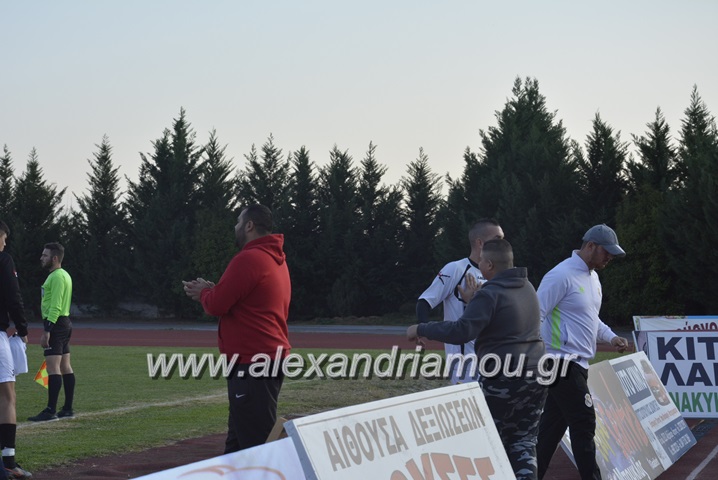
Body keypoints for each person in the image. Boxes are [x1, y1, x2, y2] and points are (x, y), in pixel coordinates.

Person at [408, 239, 547, 480]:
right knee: (523, 441)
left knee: (487, 441)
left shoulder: (490, 293)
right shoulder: (527, 288)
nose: (478, 263)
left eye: (481, 260)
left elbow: (462, 331)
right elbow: (503, 320)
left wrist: (421, 328)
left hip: (504, 377)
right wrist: (473, 302)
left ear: (489, 265)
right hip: (537, 374)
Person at [183, 204, 291, 453]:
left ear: (249, 225)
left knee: (256, 445)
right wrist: (213, 290)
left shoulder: (249, 258)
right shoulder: (275, 259)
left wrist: (205, 293)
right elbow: (247, 301)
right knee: (238, 441)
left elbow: (217, 305)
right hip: (268, 358)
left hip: (251, 362)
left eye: (238, 222)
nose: (236, 227)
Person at [535, 224, 630, 480]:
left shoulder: (593, 278)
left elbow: (591, 319)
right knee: (584, 422)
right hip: (560, 362)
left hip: (578, 364)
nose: (609, 257)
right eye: (606, 252)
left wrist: (611, 337)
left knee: (551, 429)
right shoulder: (560, 275)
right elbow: (535, 314)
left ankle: (527, 475)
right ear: (590, 246)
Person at [415, 218, 504, 384]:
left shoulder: (500, 274)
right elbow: (425, 301)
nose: (503, 243)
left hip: (496, 360)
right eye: (497, 238)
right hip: (465, 365)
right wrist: (422, 329)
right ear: (480, 243)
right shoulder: (456, 269)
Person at [28, 242, 76, 423]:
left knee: (52, 367)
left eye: (45, 255)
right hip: (64, 322)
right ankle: (68, 408)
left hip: (56, 324)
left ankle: (50, 410)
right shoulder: (65, 274)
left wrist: (47, 330)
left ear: (54, 258)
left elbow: (55, 305)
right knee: (65, 366)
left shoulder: (56, 277)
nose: (41, 258)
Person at [0, 222, 32, 479]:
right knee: (7, 397)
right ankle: (8, 462)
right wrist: (22, 329)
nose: (5, 243)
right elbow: (13, 295)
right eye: (3, 237)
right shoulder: (4, 259)